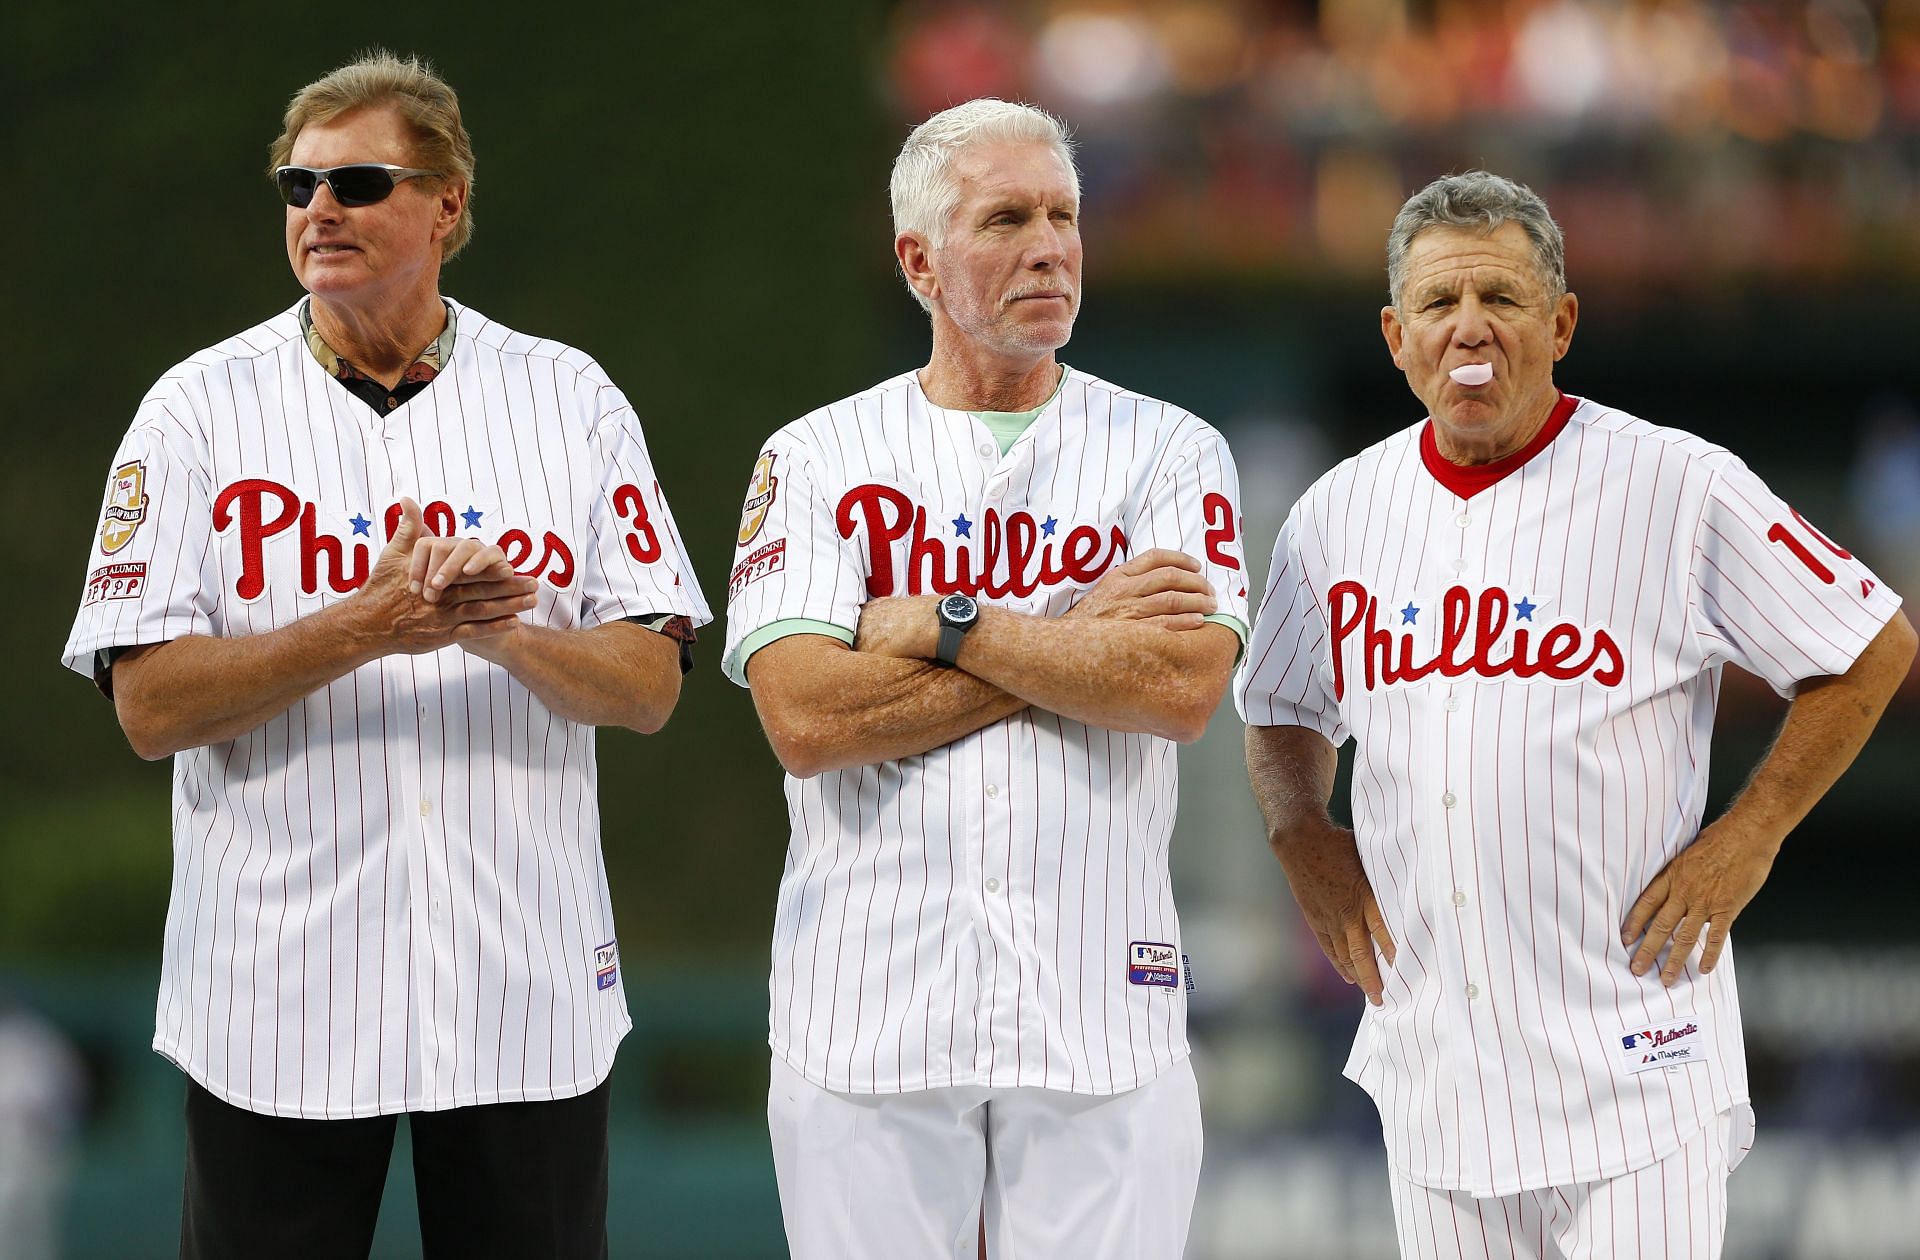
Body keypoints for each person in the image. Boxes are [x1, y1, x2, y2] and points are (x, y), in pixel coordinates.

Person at [59, 51, 709, 1260]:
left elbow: (650, 685)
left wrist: (503, 632)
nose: (320, 210)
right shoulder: (197, 409)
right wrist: (368, 624)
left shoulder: (569, 399)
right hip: (274, 992)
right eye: (297, 185)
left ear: (448, 203)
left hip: (523, 981)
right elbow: (147, 706)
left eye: (358, 181)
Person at [1236, 170, 1916, 1259]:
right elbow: (1277, 706)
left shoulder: (1675, 484)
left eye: (1502, 298)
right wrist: (1299, 830)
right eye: (1439, 303)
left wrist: (1751, 833)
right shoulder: (1334, 515)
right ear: (1394, 335)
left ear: (1560, 324)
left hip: (1635, 1059)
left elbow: (1872, 643)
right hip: (1438, 1072)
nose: (1470, 327)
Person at [722, 98, 1249, 1259]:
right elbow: (806, 718)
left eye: (1063, 216)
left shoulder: (1169, 447)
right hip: (865, 1007)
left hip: (1102, 1004)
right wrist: (1072, 640)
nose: (1049, 245)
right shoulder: (813, 456)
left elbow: (1180, 690)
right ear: (919, 261)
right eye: (1006, 218)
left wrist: (949, 624)